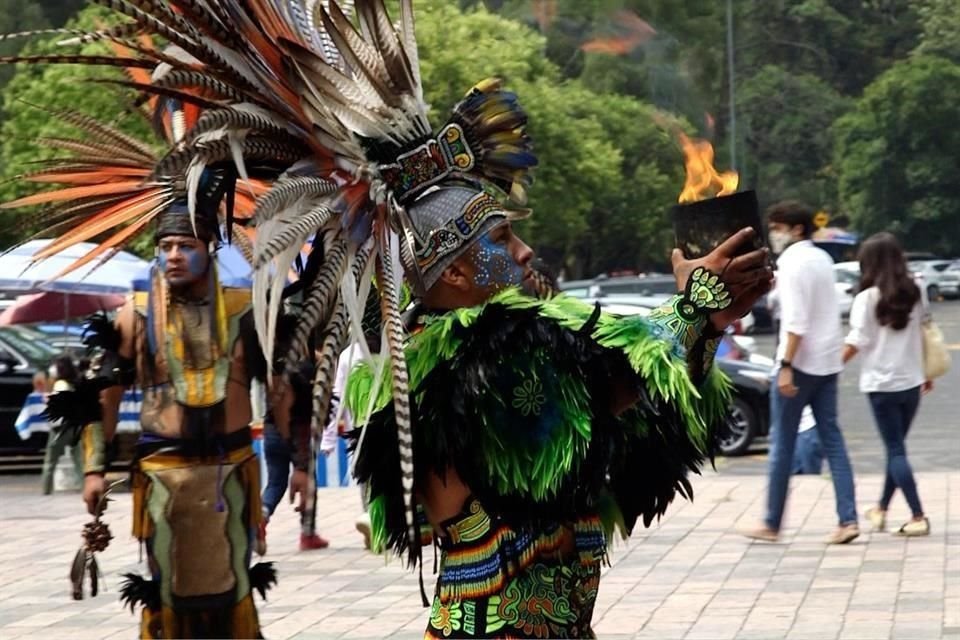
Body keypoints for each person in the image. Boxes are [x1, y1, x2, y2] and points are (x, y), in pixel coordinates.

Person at [2, 4, 770, 637]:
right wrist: (693, 309)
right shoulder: (462, 365)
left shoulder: (515, 349)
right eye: (504, 238)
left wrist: (698, 327)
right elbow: (590, 384)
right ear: (459, 270)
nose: (527, 249)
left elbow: (627, 424)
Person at [743, 200, 859, 544]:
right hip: (827, 362)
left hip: (800, 363)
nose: (774, 234)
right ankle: (848, 519)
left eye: (778, 227)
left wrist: (787, 367)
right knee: (833, 440)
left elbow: (795, 322)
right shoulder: (823, 259)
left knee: (782, 443)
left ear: (796, 229)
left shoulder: (792, 263)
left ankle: (772, 522)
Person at [843, 233, 931, 536]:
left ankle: (918, 515)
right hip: (912, 382)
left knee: (895, 450)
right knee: (897, 450)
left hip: (881, 385)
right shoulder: (917, 289)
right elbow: (923, 331)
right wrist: (927, 372)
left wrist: (831, 365)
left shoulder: (865, 299)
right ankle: (880, 509)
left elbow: (857, 340)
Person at [260, 358, 331, 552]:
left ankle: (261, 517)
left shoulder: (276, 368)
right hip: (298, 433)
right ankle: (307, 533)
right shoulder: (308, 370)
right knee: (309, 479)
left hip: (272, 431)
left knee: (275, 483)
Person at [41, 356, 83, 494]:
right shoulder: (76, 383)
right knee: (79, 462)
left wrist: (47, 400)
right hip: (74, 427)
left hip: (59, 429)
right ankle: (84, 487)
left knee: (50, 463)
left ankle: (45, 490)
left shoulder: (60, 384)